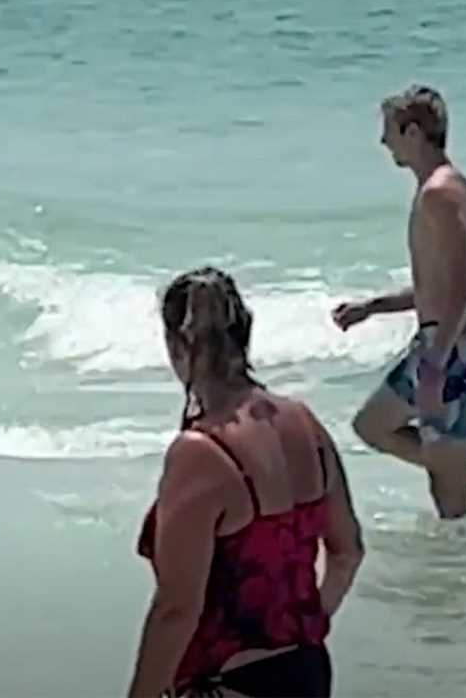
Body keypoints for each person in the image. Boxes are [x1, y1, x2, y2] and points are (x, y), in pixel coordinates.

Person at [127, 266, 364, 698]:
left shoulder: (200, 452)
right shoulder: (306, 425)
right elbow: (347, 552)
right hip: (307, 670)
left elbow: (177, 609)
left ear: (176, 345)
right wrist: (305, 630)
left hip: (226, 681)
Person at [332, 84, 466, 520]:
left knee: (445, 494)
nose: (383, 141)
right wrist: (372, 307)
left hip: (455, 343)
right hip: (449, 338)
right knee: (374, 426)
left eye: (389, 130)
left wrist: (435, 362)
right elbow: (436, 286)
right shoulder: (445, 188)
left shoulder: (439, 194)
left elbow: (457, 288)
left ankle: (463, 561)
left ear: (413, 132)